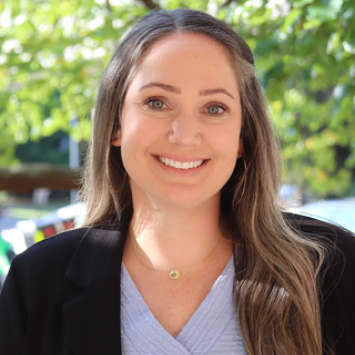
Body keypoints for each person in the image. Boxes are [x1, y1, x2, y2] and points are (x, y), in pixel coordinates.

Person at [0, 9, 354, 355]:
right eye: (157, 102)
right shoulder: (37, 282)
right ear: (115, 125)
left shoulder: (334, 267)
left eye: (214, 108)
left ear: (243, 136)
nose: (185, 136)